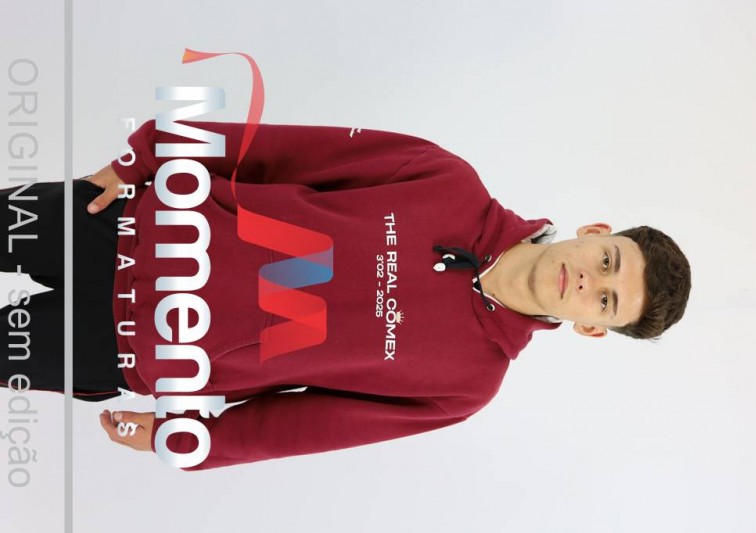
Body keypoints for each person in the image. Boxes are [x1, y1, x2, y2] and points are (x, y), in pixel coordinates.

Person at [1, 120, 691, 470]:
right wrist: (151, 151)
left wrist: (192, 439)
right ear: (595, 233)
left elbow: (307, 425)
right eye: (608, 261)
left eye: (607, 301)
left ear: (593, 328)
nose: (590, 281)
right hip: (129, 224)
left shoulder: (466, 384)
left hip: (133, 347)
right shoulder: (448, 181)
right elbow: (291, 150)